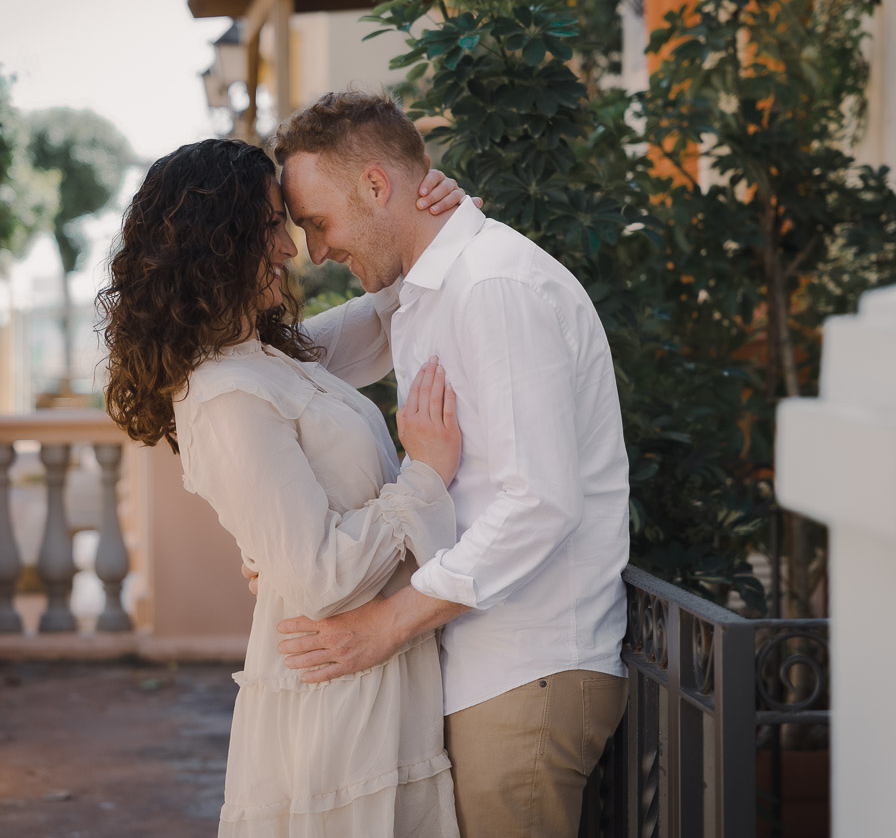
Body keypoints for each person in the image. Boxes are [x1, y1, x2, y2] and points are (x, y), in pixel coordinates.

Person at [270, 91, 631, 837]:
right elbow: (292, 365)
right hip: (487, 667)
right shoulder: (428, 291)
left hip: (527, 668)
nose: (316, 251)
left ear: (376, 185)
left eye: (316, 221)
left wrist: (387, 625)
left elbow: (542, 502)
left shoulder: (492, 287)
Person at [100, 137, 473, 837]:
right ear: (221, 242)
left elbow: (391, 314)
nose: (290, 249)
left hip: (375, 681)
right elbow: (321, 577)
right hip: (341, 703)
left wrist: (441, 224)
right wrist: (425, 472)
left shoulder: (270, 356)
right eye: (274, 225)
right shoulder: (224, 394)